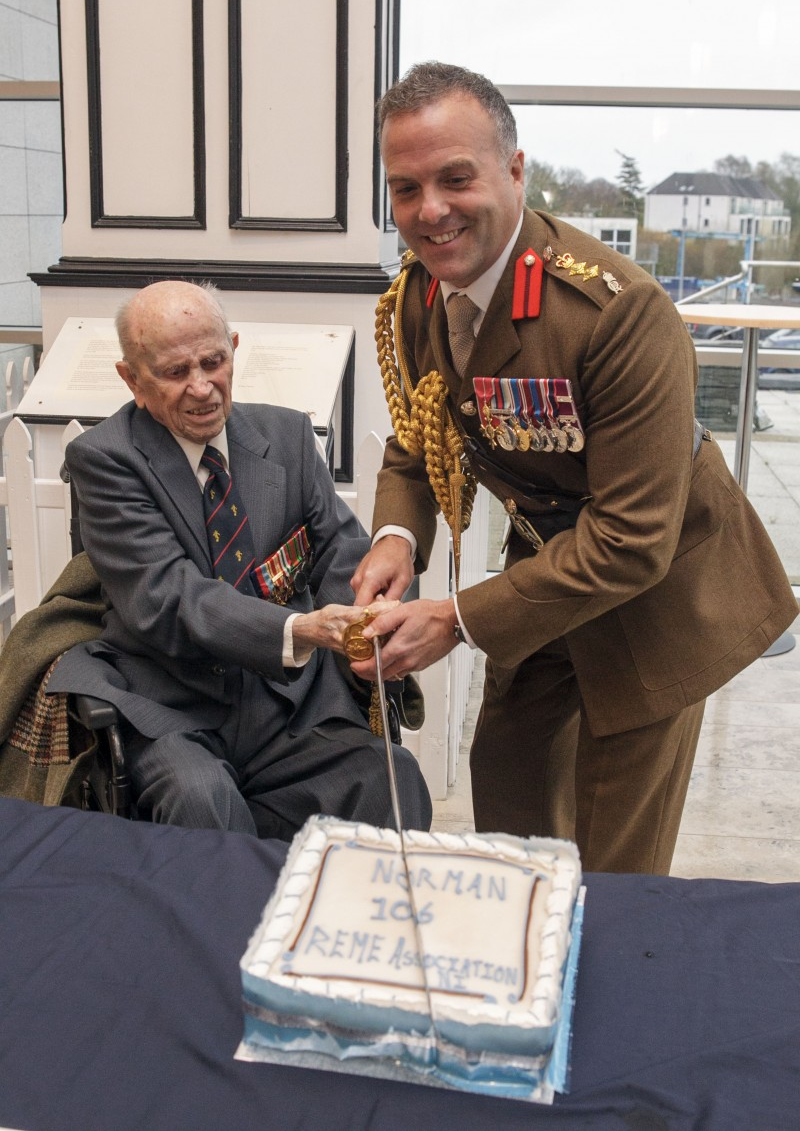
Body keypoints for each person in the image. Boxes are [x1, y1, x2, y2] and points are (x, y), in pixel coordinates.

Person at [349, 61, 798, 874]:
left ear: (515, 170)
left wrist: (455, 618)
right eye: (405, 188)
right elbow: (417, 439)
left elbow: (632, 539)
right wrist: (395, 539)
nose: (431, 211)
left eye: (456, 178)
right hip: (548, 566)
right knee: (511, 794)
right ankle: (519, 969)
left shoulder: (615, 312)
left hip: (661, 594)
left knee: (615, 855)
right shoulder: (419, 295)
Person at [46, 280, 432, 839]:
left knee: (390, 777)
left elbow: (342, 554)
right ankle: (226, 929)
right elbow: (169, 599)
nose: (202, 388)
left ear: (232, 347)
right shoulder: (107, 459)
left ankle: (360, 926)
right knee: (201, 799)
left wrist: (375, 613)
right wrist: (303, 628)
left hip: (290, 711)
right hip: (174, 710)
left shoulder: (288, 436)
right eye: (175, 372)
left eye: (213, 361)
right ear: (132, 380)